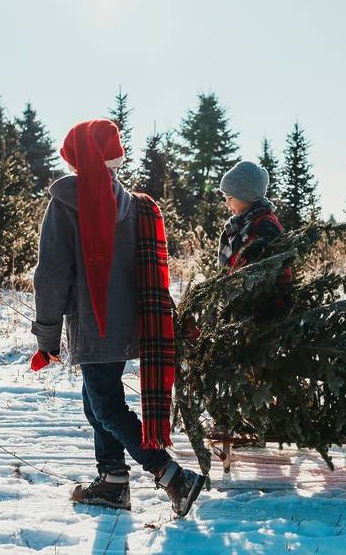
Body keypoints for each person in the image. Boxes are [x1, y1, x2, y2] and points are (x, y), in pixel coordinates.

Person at [31, 119, 205, 517]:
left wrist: (47, 337)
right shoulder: (132, 204)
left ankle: (172, 476)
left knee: (107, 407)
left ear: (77, 157)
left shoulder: (66, 202)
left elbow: (52, 275)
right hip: (128, 322)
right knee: (96, 404)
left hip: (94, 323)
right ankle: (112, 481)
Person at [217, 161, 285, 274]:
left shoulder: (267, 226)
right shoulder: (237, 227)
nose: (226, 203)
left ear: (246, 196)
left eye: (230, 198)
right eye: (225, 198)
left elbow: (274, 271)